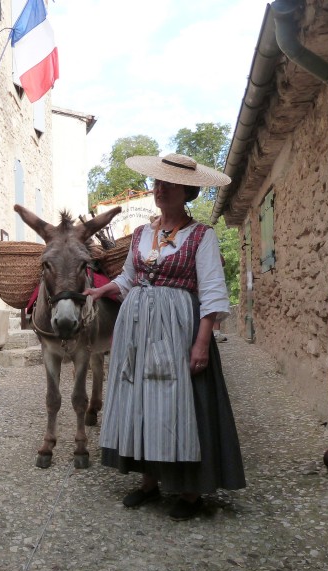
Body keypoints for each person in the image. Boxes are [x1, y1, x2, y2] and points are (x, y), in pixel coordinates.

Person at [85, 152, 245, 521]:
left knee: (178, 401)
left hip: (178, 329)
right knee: (140, 398)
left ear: (187, 191)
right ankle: (148, 481)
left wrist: (202, 342)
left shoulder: (200, 236)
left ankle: (190, 490)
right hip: (137, 330)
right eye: (158, 182)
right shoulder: (143, 233)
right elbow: (129, 279)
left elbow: (213, 292)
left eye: (169, 184)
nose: (160, 189)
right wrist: (101, 290)